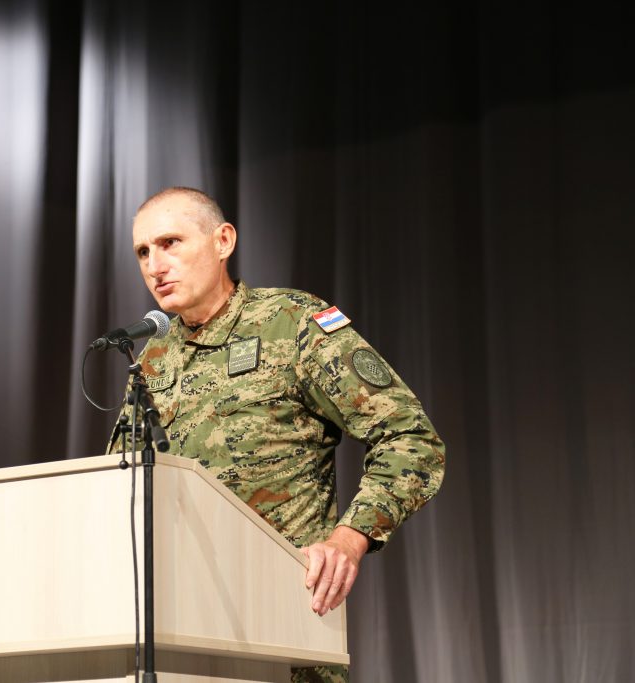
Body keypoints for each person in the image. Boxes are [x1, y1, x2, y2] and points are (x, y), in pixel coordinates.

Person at [109, 187, 446, 683]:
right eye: (143, 251)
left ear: (223, 241)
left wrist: (349, 539)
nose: (155, 266)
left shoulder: (291, 324)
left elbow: (410, 438)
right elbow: (121, 487)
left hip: (281, 629)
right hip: (180, 635)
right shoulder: (153, 359)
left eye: (170, 243)